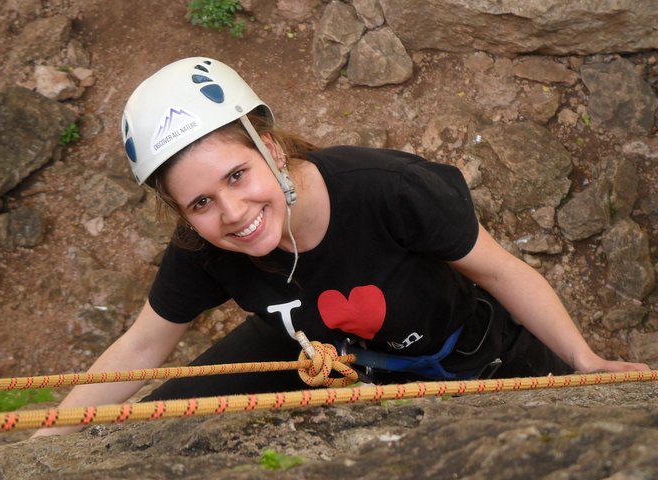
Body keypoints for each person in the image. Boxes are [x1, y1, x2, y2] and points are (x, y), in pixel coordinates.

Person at [32, 57, 649, 437]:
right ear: (180, 212)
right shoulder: (205, 246)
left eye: (237, 176)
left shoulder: (387, 191)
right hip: (325, 348)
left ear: (269, 147)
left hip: (474, 347)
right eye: (199, 203)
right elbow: (141, 344)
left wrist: (584, 360)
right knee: (169, 411)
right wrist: (45, 440)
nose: (233, 214)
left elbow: (501, 272)